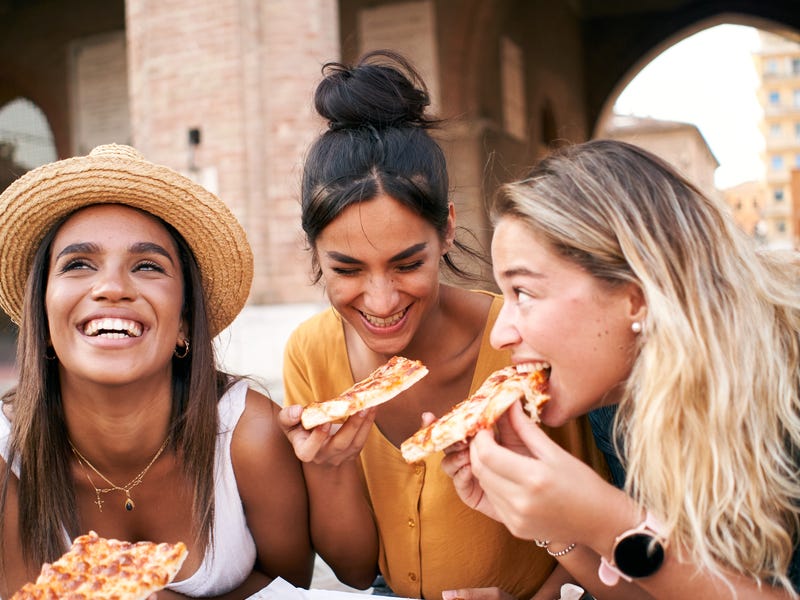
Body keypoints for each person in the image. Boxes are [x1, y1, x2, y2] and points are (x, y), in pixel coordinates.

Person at [278, 50, 600, 600]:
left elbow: (598, 524)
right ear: (315, 253)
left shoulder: (521, 339)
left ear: (447, 230)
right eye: (346, 269)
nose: (381, 300)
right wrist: (329, 469)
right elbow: (356, 572)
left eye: (408, 264)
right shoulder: (311, 353)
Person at [442, 138, 800, 599]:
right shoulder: (614, 396)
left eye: (524, 293)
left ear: (636, 297)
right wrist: (558, 526)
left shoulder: (786, 391)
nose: (500, 333)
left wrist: (607, 518)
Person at [0, 144, 314, 598]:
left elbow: (292, 585)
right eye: (78, 264)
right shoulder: (8, 457)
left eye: (147, 265)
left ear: (185, 321)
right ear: (43, 320)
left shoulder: (250, 434)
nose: (111, 288)